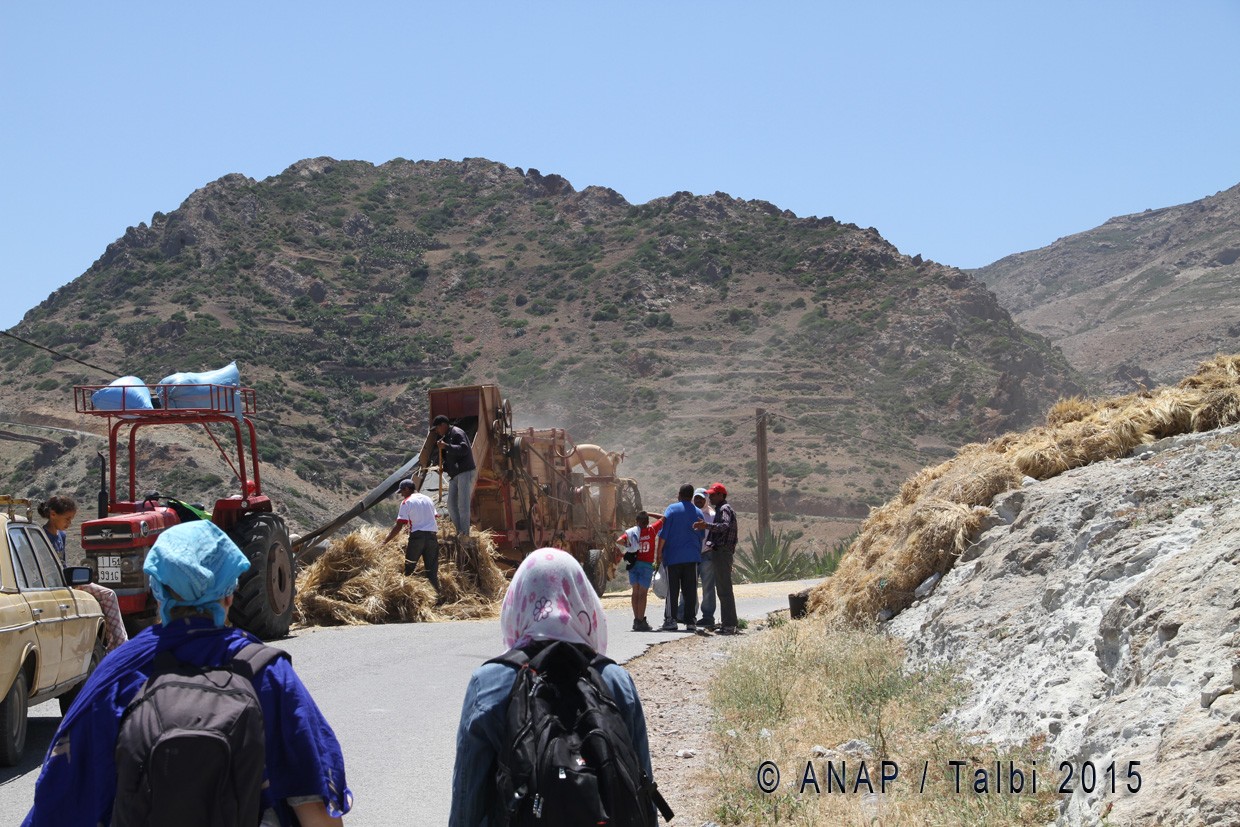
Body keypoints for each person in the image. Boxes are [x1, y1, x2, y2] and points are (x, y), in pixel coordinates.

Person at [22, 521, 352, 827]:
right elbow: (314, 801)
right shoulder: (265, 671)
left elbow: (62, 793)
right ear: (229, 593)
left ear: (157, 590)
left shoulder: (118, 672)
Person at [449, 548, 655, 826]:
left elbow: (467, 802)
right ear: (584, 601)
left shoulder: (489, 681)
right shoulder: (614, 680)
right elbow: (643, 795)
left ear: (516, 601)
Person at [38, 495, 128, 652]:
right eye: (67, 519)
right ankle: (121, 643)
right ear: (53, 514)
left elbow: (62, 563)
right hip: (55, 584)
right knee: (108, 595)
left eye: (71, 519)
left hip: (64, 580)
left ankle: (114, 643)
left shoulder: (61, 536)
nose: (69, 523)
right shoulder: (43, 537)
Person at [655, 484, 705, 633]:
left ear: (679, 494)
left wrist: (659, 554)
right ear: (691, 496)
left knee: (673, 590)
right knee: (690, 591)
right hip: (692, 558)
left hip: (673, 557)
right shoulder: (698, 513)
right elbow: (701, 537)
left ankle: (671, 620)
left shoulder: (671, 509)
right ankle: (690, 621)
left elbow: (663, 535)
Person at [695, 483, 740, 635]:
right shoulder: (722, 508)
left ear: (721, 495)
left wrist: (706, 526)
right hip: (721, 552)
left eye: (713, 495)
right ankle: (729, 623)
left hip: (722, 552)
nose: (710, 497)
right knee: (723, 589)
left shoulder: (724, 509)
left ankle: (729, 625)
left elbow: (724, 525)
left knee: (724, 590)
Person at [383, 477, 440, 593]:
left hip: (417, 538)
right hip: (432, 538)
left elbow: (399, 525)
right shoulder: (428, 499)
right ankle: (436, 599)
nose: (402, 495)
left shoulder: (407, 502)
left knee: (409, 569)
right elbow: (432, 518)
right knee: (432, 572)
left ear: (407, 489)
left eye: (402, 492)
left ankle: (408, 597)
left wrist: (384, 542)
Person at [433, 414, 477, 535]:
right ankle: (460, 531)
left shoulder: (457, 433)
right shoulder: (446, 437)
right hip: (455, 475)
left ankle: (465, 535)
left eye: (437, 428)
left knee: (463, 505)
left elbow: (464, 449)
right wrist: (444, 468)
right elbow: (451, 459)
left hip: (465, 472)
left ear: (443, 425)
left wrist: (446, 446)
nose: (437, 431)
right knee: (451, 505)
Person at [616, 511, 656, 631]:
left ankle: (636, 620)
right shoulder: (652, 530)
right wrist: (649, 513)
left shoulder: (632, 532)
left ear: (636, 522)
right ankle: (641, 620)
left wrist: (629, 545)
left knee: (635, 592)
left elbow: (618, 541)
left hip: (634, 565)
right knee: (643, 594)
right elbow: (664, 518)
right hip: (646, 566)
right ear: (648, 522)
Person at [692, 488, 718, 629]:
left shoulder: (713, 516)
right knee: (689, 586)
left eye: (701, 498)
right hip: (692, 555)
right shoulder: (690, 515)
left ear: (706, 499)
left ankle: (708, 617)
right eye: (696, 498)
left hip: (707, 555)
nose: (698, 501)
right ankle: (687, 614)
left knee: (708, 587)